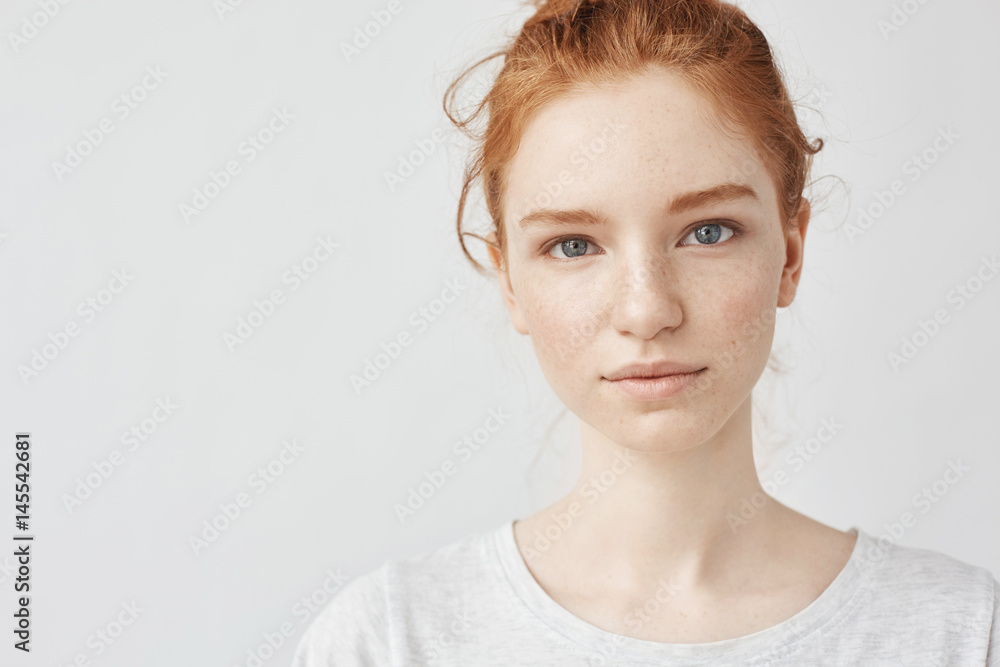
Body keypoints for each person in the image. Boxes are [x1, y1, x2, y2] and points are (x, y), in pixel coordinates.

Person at [293, 0, 999, 663]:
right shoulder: (389, 641)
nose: (646, 309)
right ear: (509, 279)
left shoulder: (961, 636)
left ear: (791, 251)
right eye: (573, 244)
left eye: (707, 232)